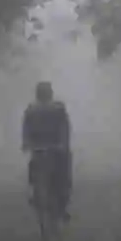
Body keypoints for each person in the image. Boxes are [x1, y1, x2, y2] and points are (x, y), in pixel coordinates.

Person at [20, 81, 73, 221]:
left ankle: (59, 203)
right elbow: (26, 129)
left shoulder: (50, 109)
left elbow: (64, 128)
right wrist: (26, 143)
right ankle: (37, 195)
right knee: (37, 171)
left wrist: (63, 144)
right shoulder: (39, 109)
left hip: (51, 149)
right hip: (48, 149)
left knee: (62, 176)